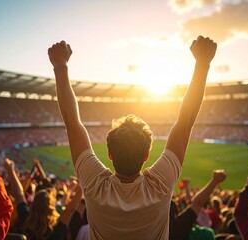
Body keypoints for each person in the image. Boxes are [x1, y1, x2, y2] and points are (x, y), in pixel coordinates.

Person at [48, 35, 217, 239]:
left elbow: (72, 123)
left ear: (110, 154)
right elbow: (185, 122)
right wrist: (202, 64)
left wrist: (60, 67)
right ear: (146, 155)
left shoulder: (95, 186)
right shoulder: (159, 186)